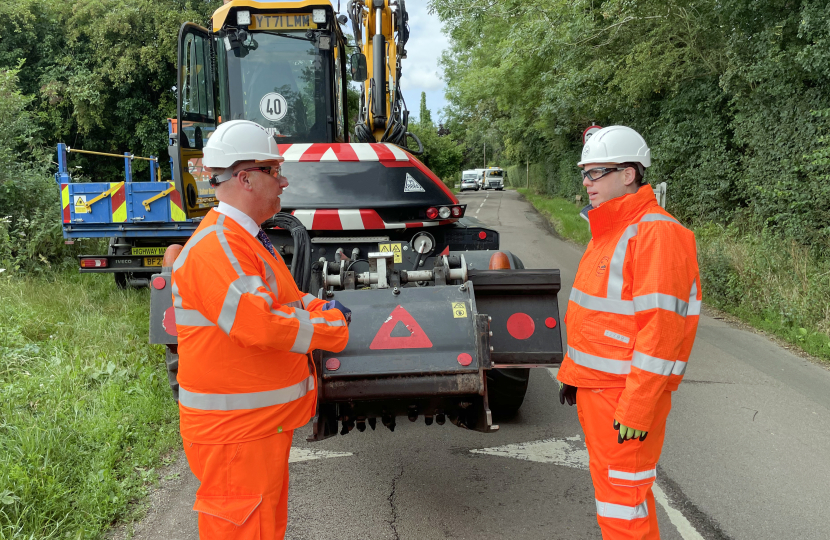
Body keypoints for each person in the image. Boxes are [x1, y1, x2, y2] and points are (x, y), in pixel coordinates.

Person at [170, 120, 350, 539]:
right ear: (245, 178)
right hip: (235, 436)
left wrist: (323, 307)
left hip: (253, 430)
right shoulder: (219, 246)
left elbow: (286, 301)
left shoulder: (245, 240)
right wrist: (333, 325)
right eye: (274, 170)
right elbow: (261, 322)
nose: (283, 180)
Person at [556, 125, 701, 539]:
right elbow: (598, 320)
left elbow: (662, 333)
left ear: (629, 174)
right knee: (623, 497)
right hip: (601, 390)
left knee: (622, 502)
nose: (587, 183)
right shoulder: (611, 229)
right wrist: (574, 375)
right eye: (584, 173)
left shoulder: (655, 233)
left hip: (625, 398)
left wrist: (637, 407)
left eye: (597, 172)